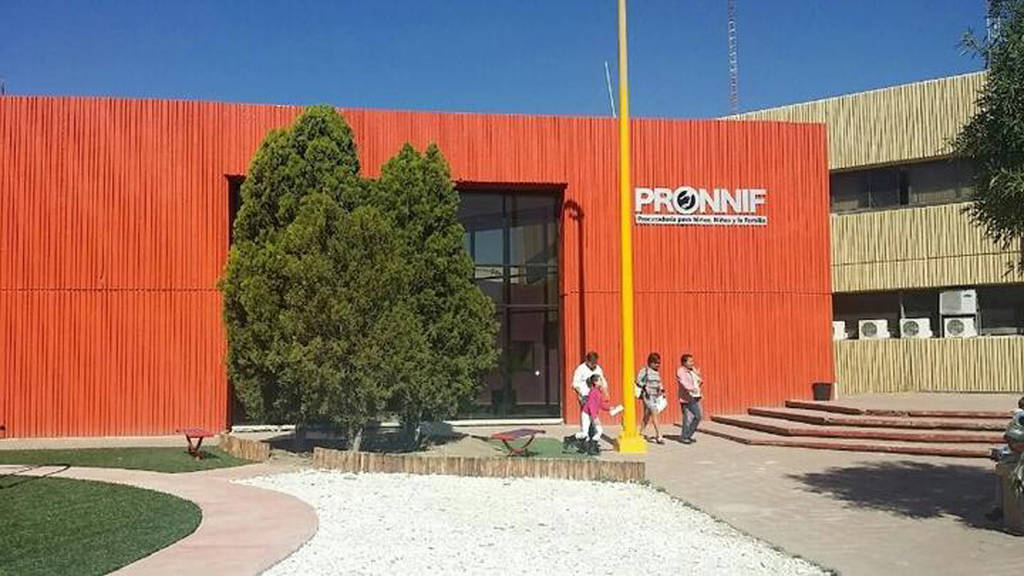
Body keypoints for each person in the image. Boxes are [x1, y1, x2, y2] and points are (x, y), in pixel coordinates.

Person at [572, 374, 622, 455]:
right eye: (600, 380)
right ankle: (571, 439)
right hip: (587, 414)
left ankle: (592, 447)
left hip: (591, 414)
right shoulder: (593, 392)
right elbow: (591, 406)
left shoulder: (598, 391)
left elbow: (600, 404)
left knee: (598, 431)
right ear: (595, 382)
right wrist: (595, 418)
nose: (602, 381)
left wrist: (609, 408)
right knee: (586, 433)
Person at [564, 351, 605, 449]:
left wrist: (604, 393)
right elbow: (575, 384)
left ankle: (589, 441)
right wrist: (580, 395)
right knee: (588, 418)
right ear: (587, 361)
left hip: (595, 396)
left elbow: (602, 381)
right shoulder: (581, 369)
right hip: (585, 396)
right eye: (592, 363)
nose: (593, 365)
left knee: (591, 420)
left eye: (595, 362)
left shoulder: (598, 369)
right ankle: (587, 441)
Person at [637, 352, 666, 444]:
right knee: (654, 412)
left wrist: (662, 390)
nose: (658, 365)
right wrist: (644, 386)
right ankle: (659, 435)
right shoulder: (645, 370)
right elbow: (638, 380)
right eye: (656, 363)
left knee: (647, 415)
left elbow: (659, 383)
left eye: (659, 363)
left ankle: (639, 432)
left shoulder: (656, 372)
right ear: (650, 362)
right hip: (647, 395)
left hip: (655, 396)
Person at [677, 353, 703, 444]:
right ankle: (685, 436)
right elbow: (683, 382)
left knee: (692, 417)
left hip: (694, 396)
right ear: (684, 362)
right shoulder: (681, 371)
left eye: (692, 361)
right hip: (686, 397)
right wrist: (692, 388)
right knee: (695, 416)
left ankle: (686, 435)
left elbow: (698, 381)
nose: (692, 363)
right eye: (690, 361)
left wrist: (697, 375)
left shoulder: (691, 370)